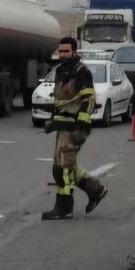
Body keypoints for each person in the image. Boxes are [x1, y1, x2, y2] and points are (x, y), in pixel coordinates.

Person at [41, 37, 108, 220]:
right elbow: (61, 102)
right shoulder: (61, 70)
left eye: (66, 51)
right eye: (60, 51)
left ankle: (64, 208)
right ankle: (96, 190)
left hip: (74, 127)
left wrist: (82, 127)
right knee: (68, 166)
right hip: (63, 125)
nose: (62, 54)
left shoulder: (81, 72)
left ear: (74, 51)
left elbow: (88, 101)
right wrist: (52, 121)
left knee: (61, 168)